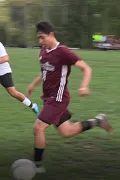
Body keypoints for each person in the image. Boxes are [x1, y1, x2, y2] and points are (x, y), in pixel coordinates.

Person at [27, 21, 113, 173]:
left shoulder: (63, 52)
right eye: (38, 38)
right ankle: (98, 121)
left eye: (42, 38)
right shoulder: (44, 51)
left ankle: (37, 166)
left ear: (51, 35)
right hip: (48, 99)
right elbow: (44, 71)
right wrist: (33, 84)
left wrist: (84, 85)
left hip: (58, 99)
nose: (40, 42)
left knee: (38, 127)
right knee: (66, 132)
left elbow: (86, 68)